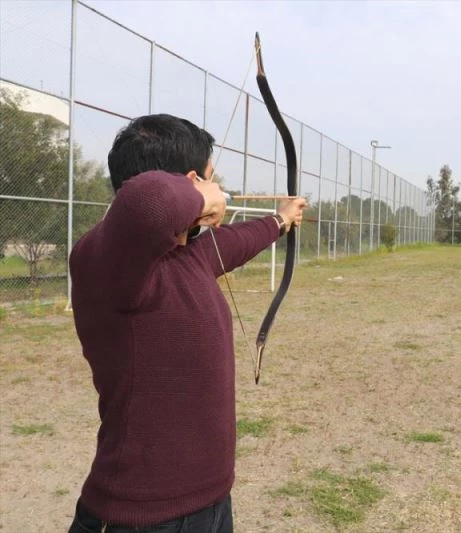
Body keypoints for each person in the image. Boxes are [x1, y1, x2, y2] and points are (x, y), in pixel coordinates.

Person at [67, 114, 307, 532]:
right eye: (212, 179)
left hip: (209, 501)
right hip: (141, 512)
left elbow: (237, 240)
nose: (221, 190)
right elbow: (149, 200)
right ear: (193, 182)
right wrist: (205, 196)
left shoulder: (188, 256)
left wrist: (282, 220)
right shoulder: (107, 261)